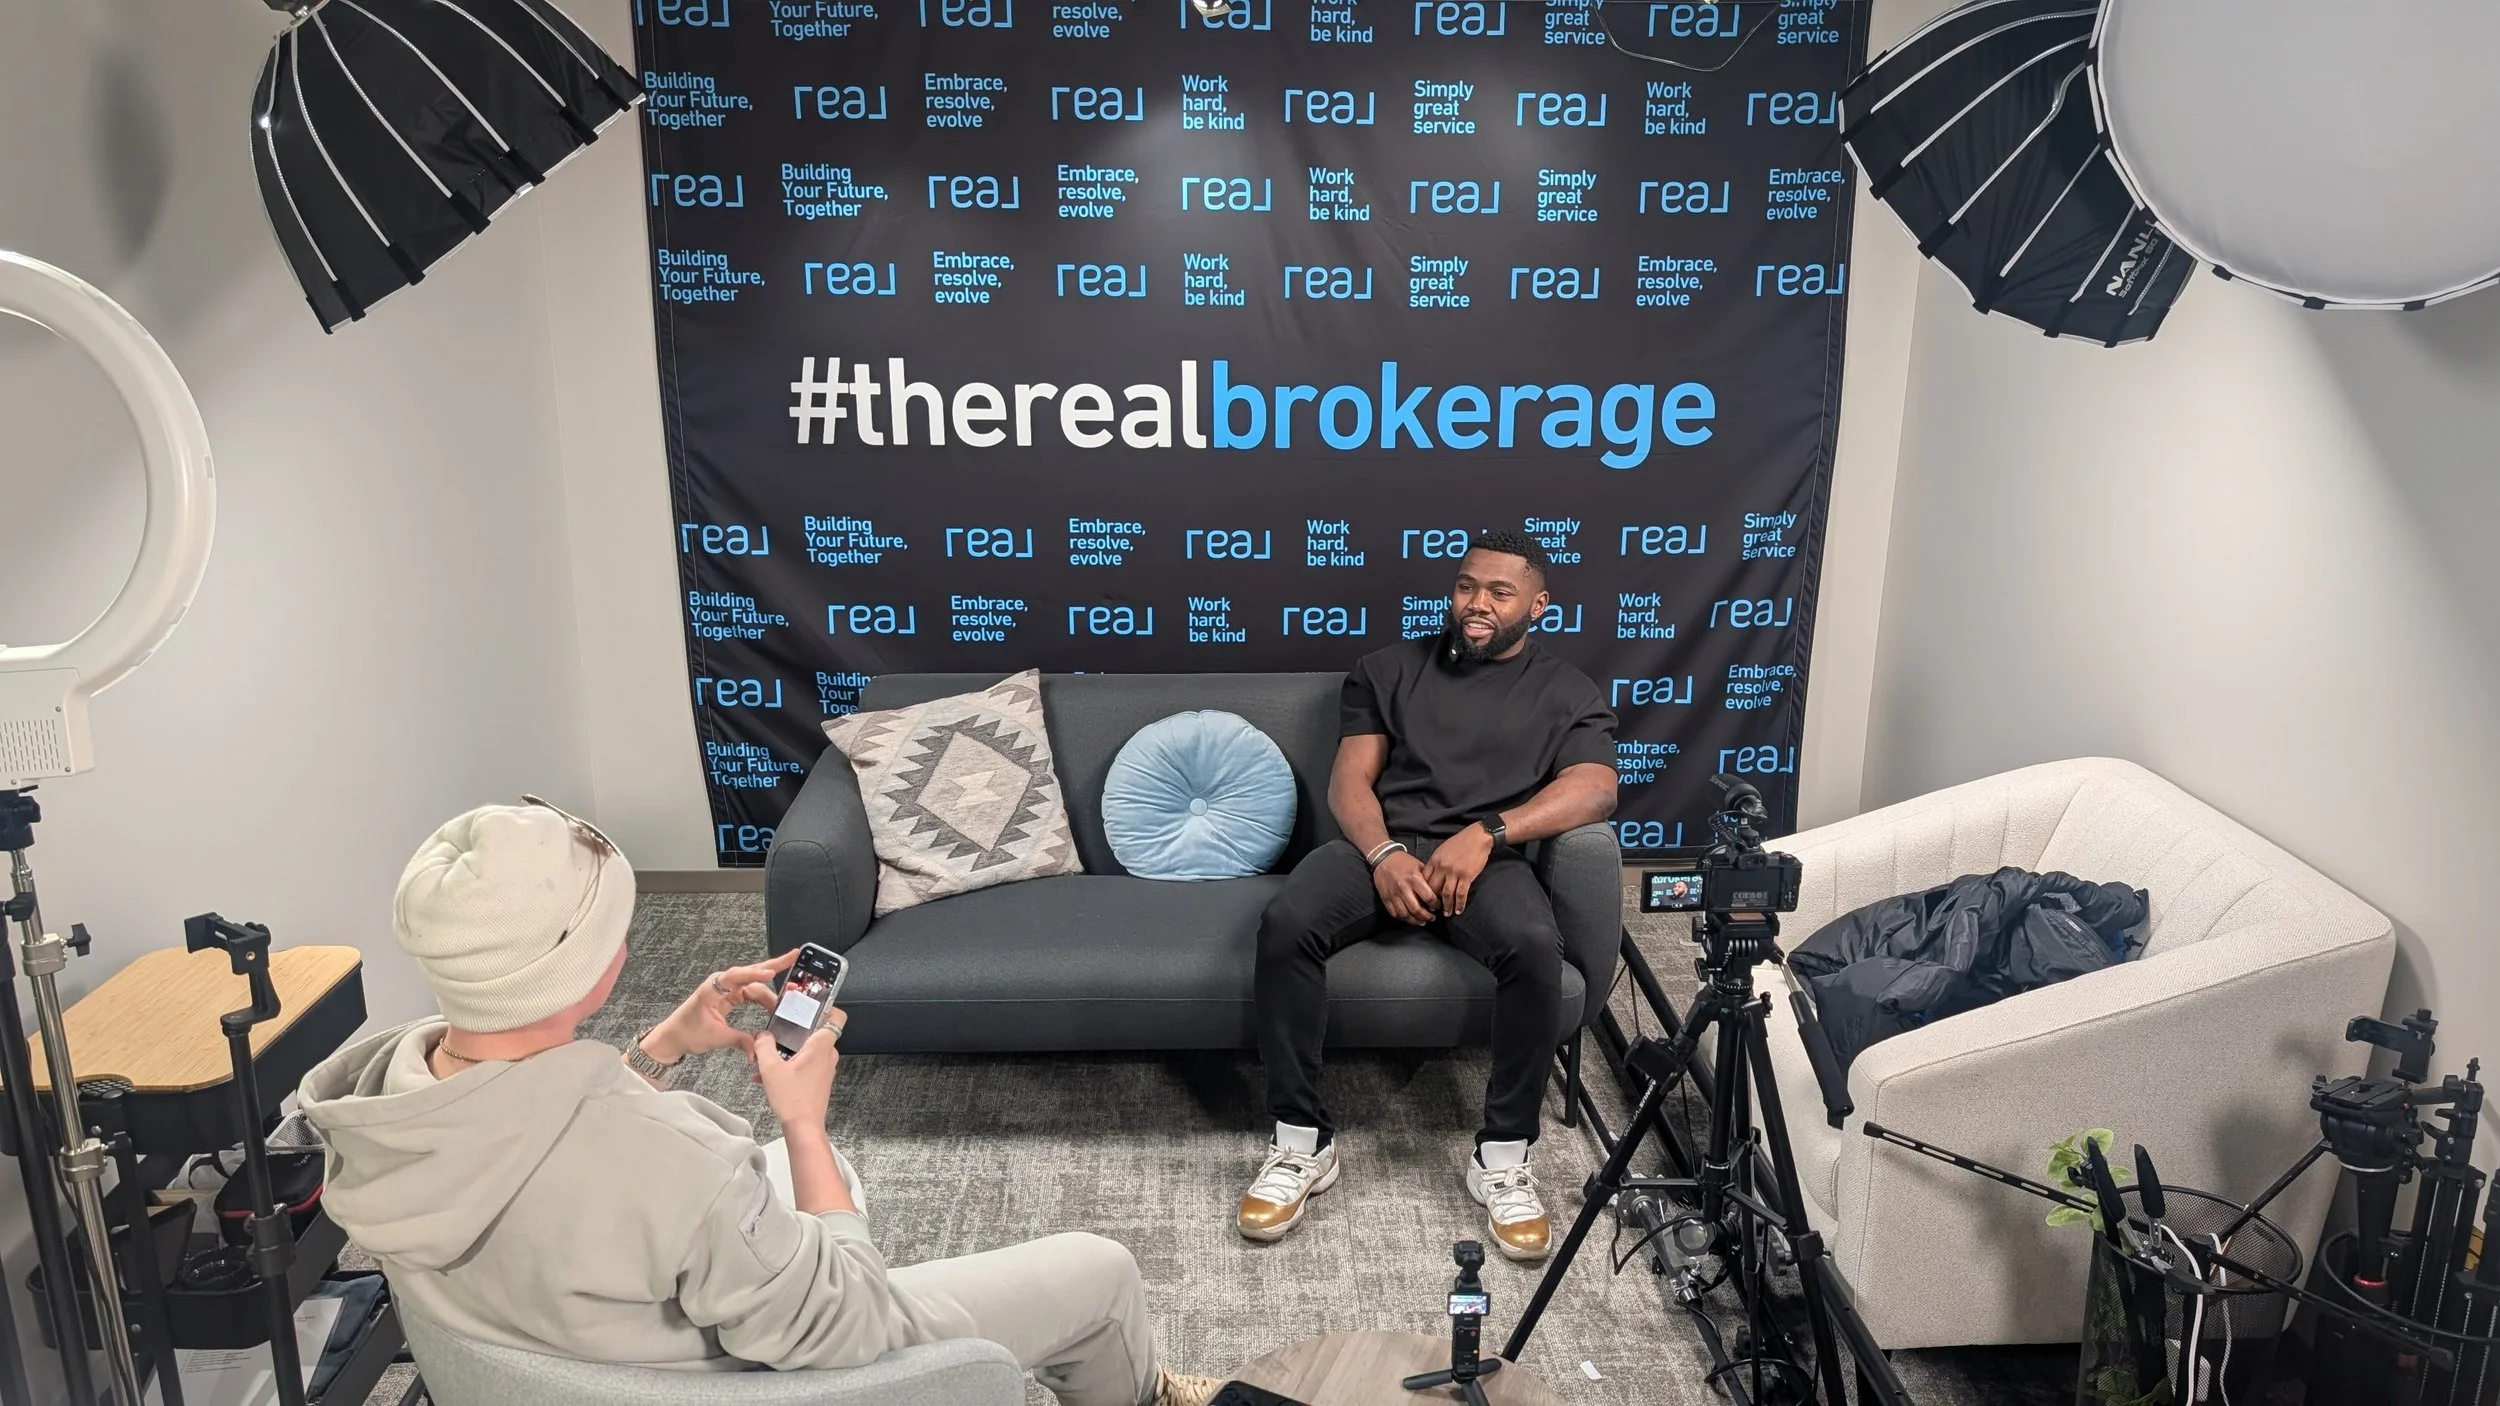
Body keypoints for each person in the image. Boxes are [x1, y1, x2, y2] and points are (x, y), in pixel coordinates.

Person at [300, 797, 1220, 1406]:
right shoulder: (672, 1162)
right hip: (757, 1378)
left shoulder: (388, 1098)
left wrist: (662, 1047)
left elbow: (538, 1134)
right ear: (592, 963)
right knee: (1099, 1273)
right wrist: (805, 1120)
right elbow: (849, 1325)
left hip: (568, 1352)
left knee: (802, 1180)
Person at [1237, 531, 1618, 1261]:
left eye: (1499, 593)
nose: (1477, 604)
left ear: (1538, 605)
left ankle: (1502, 1157)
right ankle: (1301, 1143)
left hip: (1484, 861)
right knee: (1287, 922)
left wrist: (1489, 833)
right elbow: (1350, 780)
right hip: (1380, 847)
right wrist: (1381, 853)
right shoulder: (1387, 668)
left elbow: (1595, 787)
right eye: (1467, 587)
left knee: (1537, 948)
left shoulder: (1567, 689)